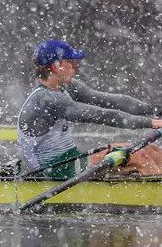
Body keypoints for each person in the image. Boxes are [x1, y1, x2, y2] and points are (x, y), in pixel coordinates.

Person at [17, 39, 162, 179]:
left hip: (69, 159)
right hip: (51, 171)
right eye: (71, 62)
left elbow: (114, 101)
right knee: (140, 156)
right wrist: (151, 123)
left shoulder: (67, 87)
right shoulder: (46, 99)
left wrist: (155, 110)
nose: (75, 66)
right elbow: (99, 115)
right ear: (56, 66)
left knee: (152, 150)